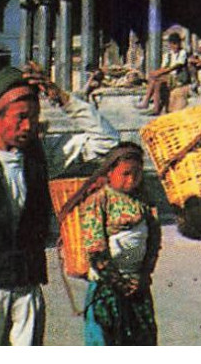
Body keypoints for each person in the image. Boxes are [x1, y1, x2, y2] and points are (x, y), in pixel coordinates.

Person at [0, 63, 118, 346]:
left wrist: (60, 97)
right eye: (21, 117)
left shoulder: (43, 155)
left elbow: (108, 142)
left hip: (26, 293)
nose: (29, 126)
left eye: (35, 117)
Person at [64, 142, 161, 345]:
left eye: (137, 173)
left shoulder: (143, 202)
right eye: (125, 174)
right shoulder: (99, 201)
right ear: (109, 172)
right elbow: (95, 248)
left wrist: (143, 276)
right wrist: (119, 283)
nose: (132, 179)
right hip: (107, 287)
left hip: (137, 285)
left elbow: (153, 241)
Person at [141, 32, 188, 114]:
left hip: (178, 77)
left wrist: (158, 73)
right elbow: (164, 67)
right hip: (169, 77)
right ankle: (151, 105)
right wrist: (156, 72)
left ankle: (148, 103)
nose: (174, 46)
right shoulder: (168, 55)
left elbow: (175, 66)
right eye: (172, 44)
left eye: (176, 44)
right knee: (155, 81)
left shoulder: (182, 53)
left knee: (157, 80)